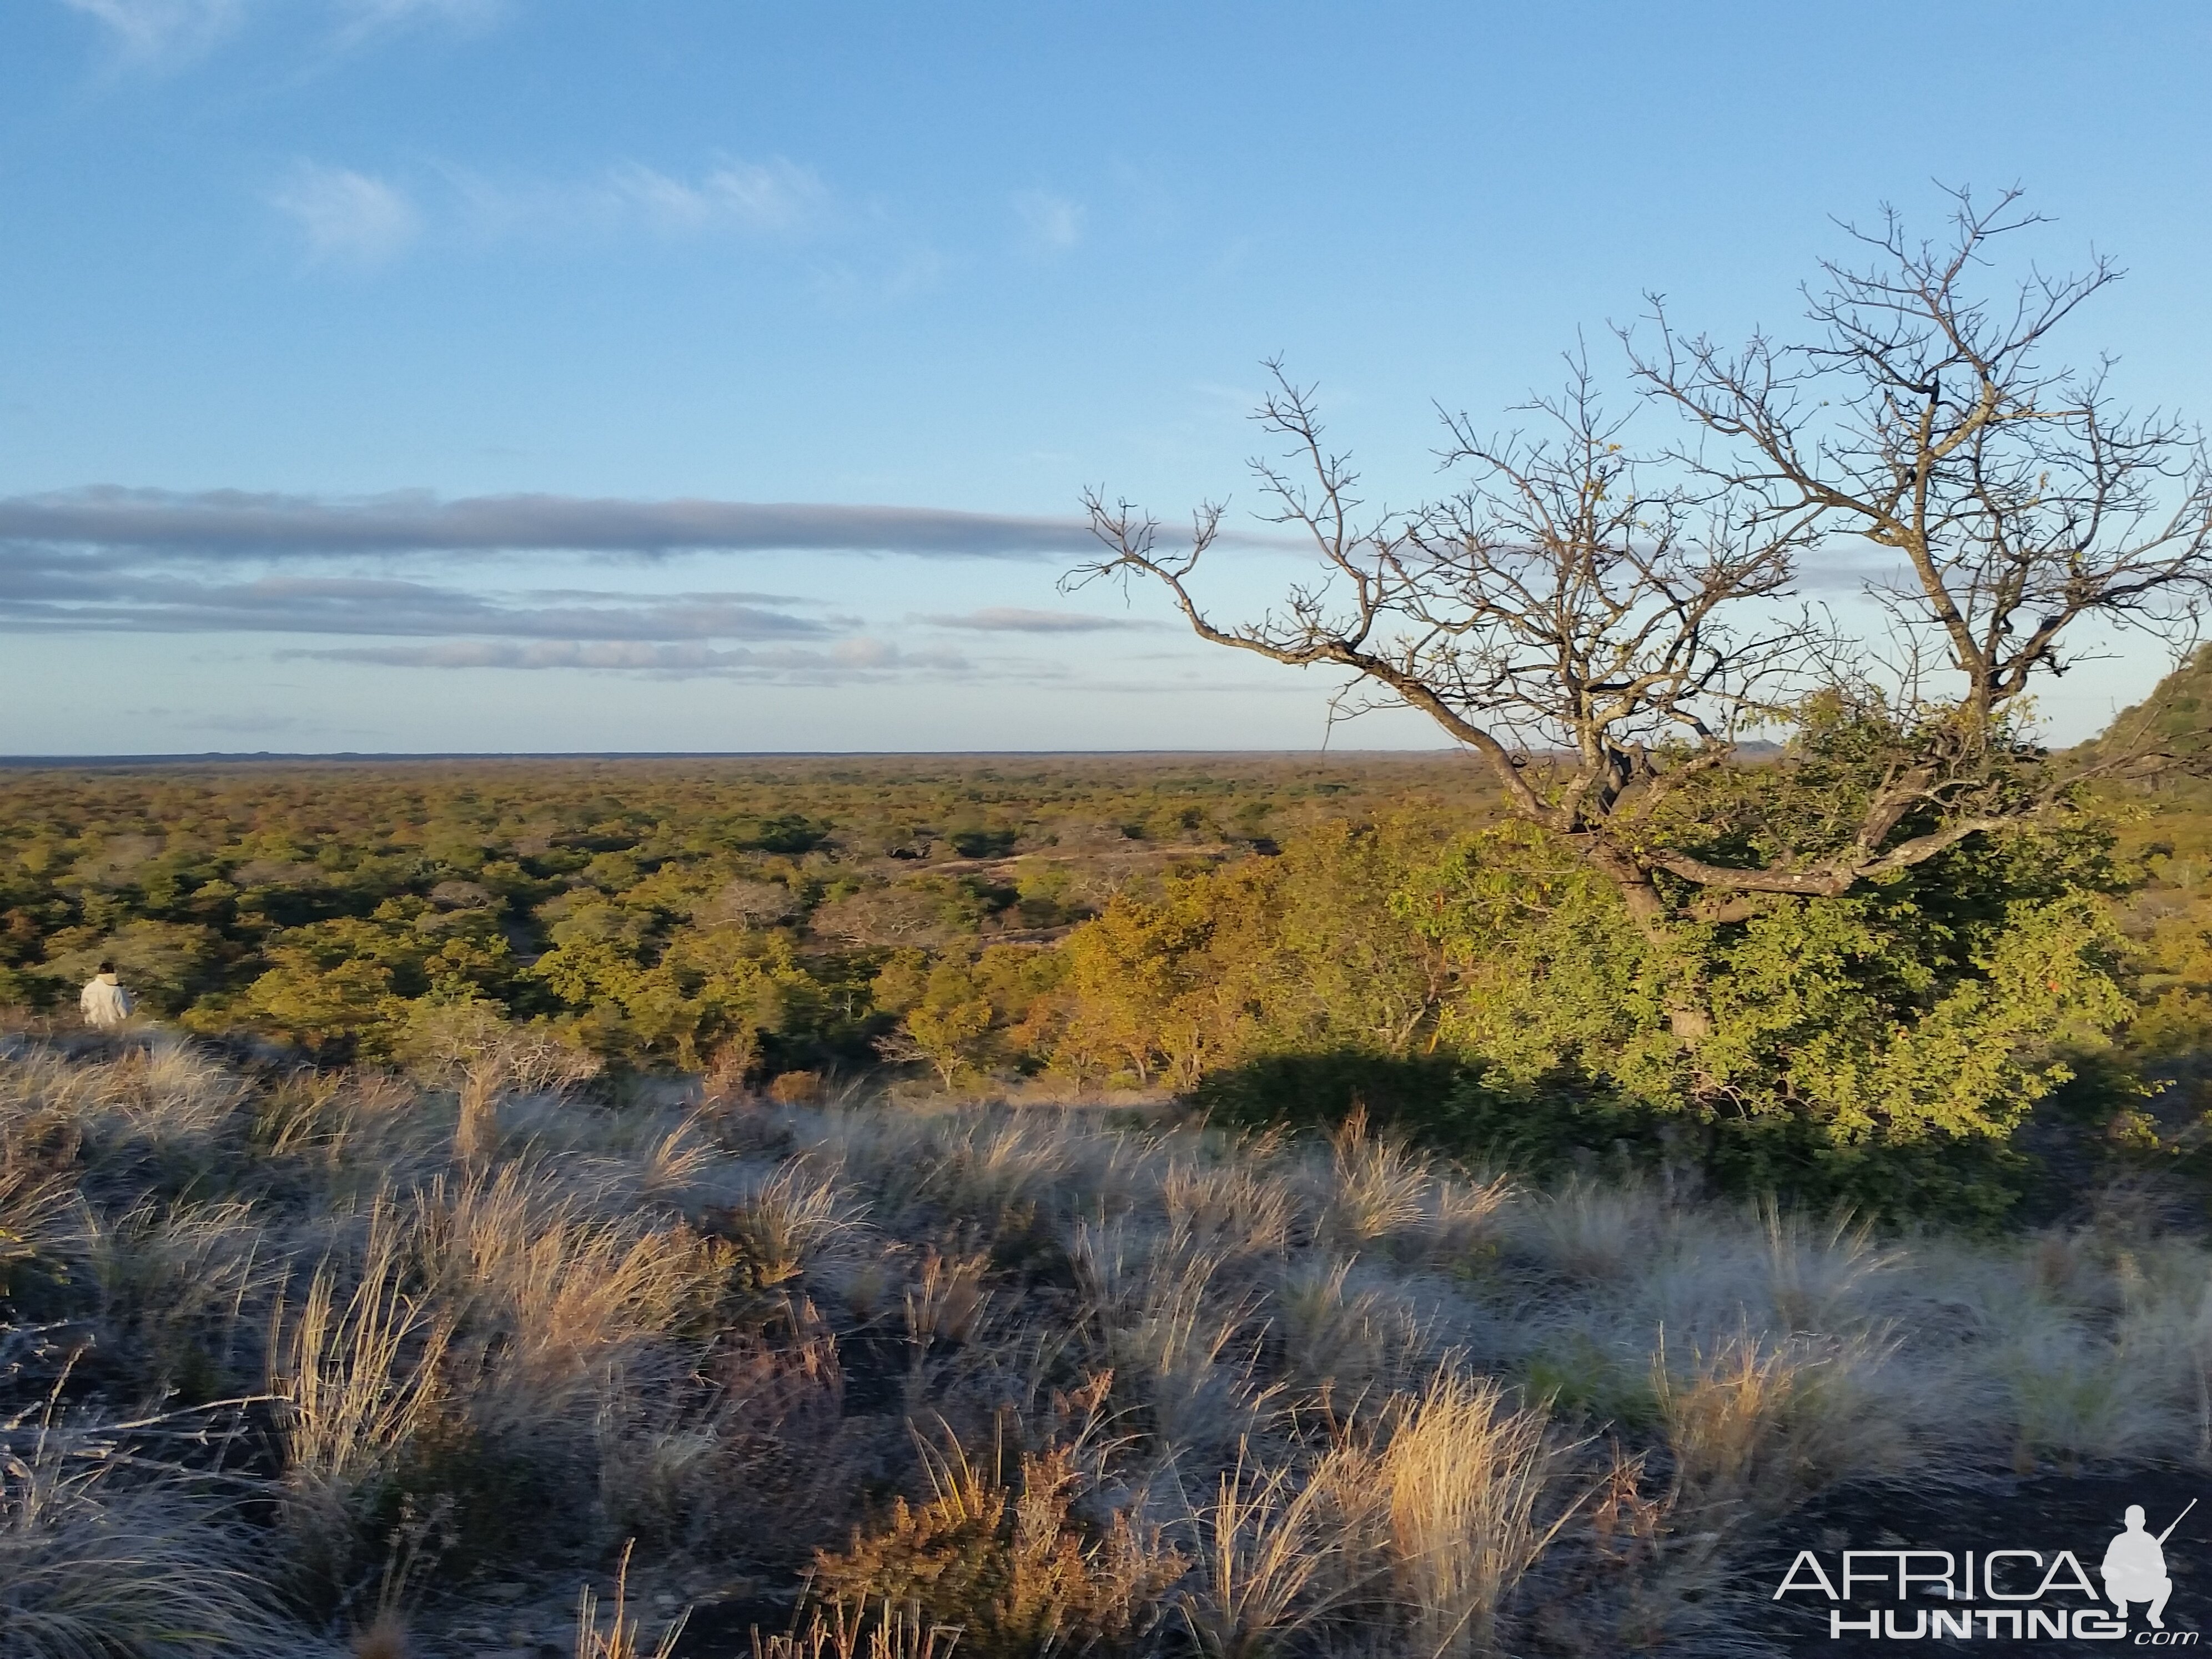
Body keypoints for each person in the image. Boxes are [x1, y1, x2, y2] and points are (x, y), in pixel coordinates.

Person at [2103, 1504, 2174, 1628]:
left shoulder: (2151, 1541)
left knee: (2167, 1583)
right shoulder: (2118, 1541)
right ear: (2126, 1522)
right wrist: (2121, 1572)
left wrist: (2145, 1571)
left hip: (2145, 1588)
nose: (2134, 1523)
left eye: (2137, 1520)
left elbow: (2162, 1570)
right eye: (2131, 1520)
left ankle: (2154, 1615)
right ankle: (2121, 1606)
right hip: (2123, 1587)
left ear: (2143, 1522)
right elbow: (2106, 1568)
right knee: (2109, 1583)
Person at [79, 961, 133, 1029]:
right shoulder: (117, 990)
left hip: (92, 1029)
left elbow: (83, 1009)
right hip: (112, 1029)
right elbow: (124, 1013)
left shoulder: (88, 988)